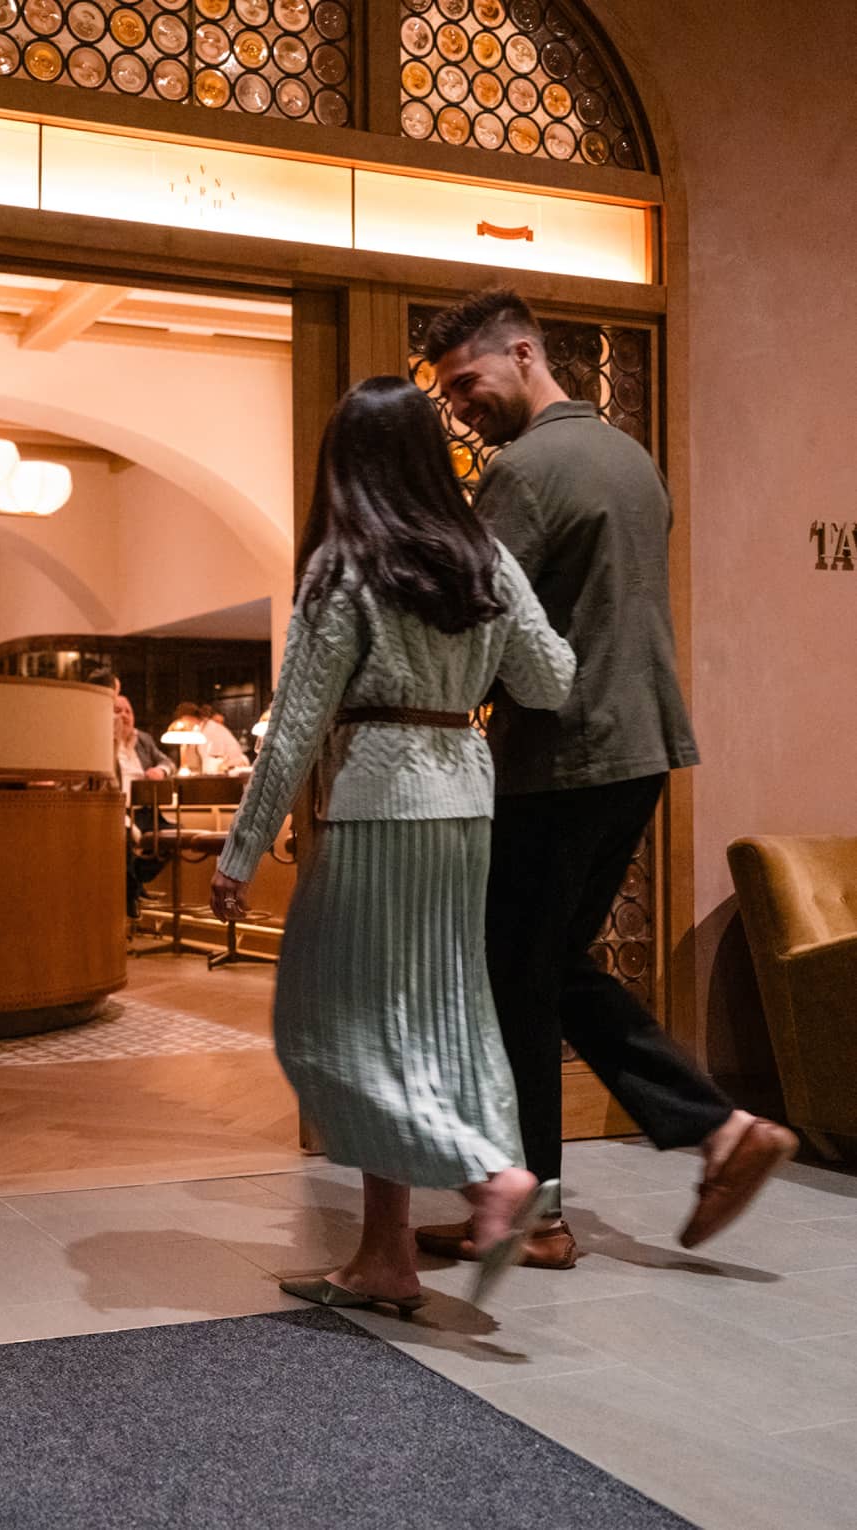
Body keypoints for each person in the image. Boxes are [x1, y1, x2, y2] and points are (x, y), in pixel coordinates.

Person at [415, 288, 795, 1268]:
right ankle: (699, 1136)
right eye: (448, 394)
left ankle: (559, 1204)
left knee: (518, 974)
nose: (460, 406)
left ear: (524, 353)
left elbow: (479, 626)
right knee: (545, 967)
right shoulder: (631, 457)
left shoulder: (523, 472)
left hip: (558, 755)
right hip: (640, 746)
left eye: (467, 382)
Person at [211, 375, 576, 1312]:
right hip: (466, 806)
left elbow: (295, 725)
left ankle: (491, 1176)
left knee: (325, 1023)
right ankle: (386, 1257)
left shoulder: (346, 567)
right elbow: (551, 680)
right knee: (440, 1016)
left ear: (348, 463)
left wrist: (241, 852)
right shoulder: (486, 558)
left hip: (379, 808)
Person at [114, 692, 175, 919]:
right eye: (117, 711)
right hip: (118, 811)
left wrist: (161, 770)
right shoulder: (102, 743)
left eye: (128, 711)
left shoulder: (143, 740)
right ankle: (131, 896)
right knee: (123, 839)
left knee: (174, 837)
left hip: (146, 812)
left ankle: (136, 882)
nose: (124, 715)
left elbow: (168, 762)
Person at [170, 702, 250, 774]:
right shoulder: (198, 730)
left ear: (189, 718)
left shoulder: (211, 729)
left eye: (183, 720)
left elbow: (214, 760)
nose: (183, 725)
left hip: (228, 771)